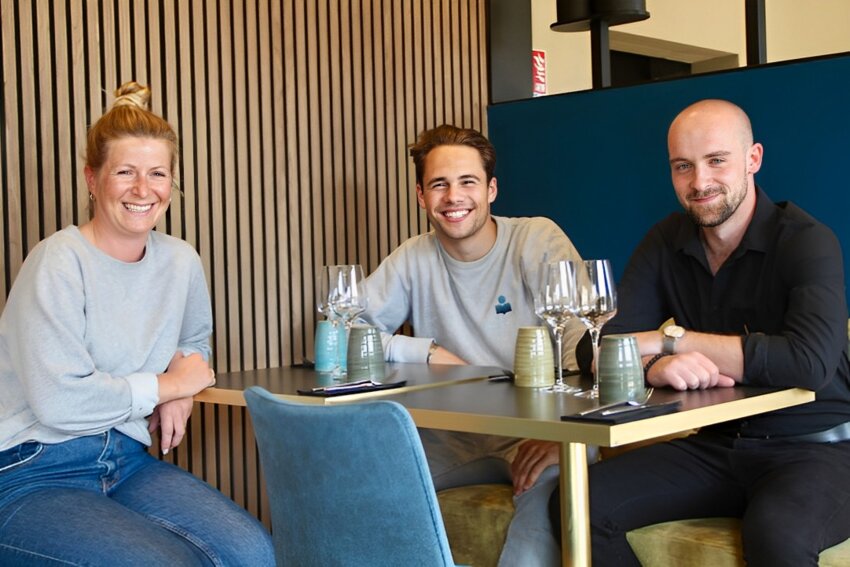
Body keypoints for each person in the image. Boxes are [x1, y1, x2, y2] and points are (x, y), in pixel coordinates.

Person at [549, 99, 850, 566]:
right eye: (682, 166)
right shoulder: (666, 241)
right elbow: (596, 347)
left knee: (777, 536)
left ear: (753, 159)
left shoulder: (807, 240)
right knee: (578, 504)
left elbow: (808, 363)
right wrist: (657, 363)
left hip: (821, 448)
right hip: (717, 446)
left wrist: (675, 339)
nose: (699, 182)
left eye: (716, 161)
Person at [0, 82, 275, 565]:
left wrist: (183, 389)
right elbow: (60, 401)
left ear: (172, 182)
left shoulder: (181, 261)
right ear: (92, 178)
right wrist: (166, 386)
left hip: (125, 458)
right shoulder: (57, 261)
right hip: (31, 467)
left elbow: (192, 344)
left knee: (252, 553)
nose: (143, 190)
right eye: (124, 172)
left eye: (157, 174)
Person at [361, 124, 588, 566]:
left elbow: (583, 350)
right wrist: (423, 350)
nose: (454, 197)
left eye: (468, 182)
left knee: (539, 521)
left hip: (544, 428)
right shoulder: (414, 256)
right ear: (421, 196)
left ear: (492, 188)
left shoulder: (535, 238)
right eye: (439, 185)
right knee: (361, 486)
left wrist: (564, 436)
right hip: (455, 434)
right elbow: (340, 331)